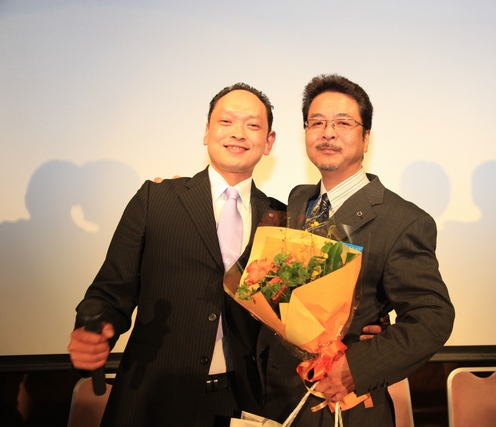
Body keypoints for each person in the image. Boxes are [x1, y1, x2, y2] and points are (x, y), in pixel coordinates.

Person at [67, 83, 286, 427]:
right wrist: (92, 328)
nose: (238, 133)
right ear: (207, 132)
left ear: (268, 142)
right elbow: (110, 292)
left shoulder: (282, 220)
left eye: (253, 125)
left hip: (240, 402)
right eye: (226, 121)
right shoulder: (156, 199)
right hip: (151, 394)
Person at [258, 74, 455, 426]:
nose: (328, 133)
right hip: (275, 401)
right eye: (317, 123)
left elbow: (432, 318)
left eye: (343, 123)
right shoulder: (298, 200)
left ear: (366, 138)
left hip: (342, 406)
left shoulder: (403, 220)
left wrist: (357, 367)